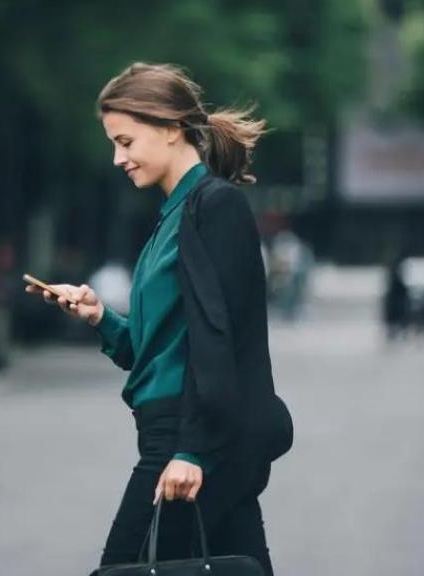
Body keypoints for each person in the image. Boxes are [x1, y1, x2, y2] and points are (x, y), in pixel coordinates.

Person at [25, 63, 293, 575]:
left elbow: (220, 340)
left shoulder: (215, 207)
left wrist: (192, 450)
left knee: (122, 568)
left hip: (188, 435)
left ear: (171, 128)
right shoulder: (171, 220)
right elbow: (155, 354)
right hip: (181, 431)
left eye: (126, 140)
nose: (117, 158)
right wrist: (102, 318)